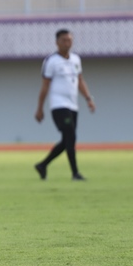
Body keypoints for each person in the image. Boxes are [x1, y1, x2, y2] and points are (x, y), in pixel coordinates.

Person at [34, 29, 95, 181]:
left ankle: (42, 165)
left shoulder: (75, 60)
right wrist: (40, 108)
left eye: (69, 40)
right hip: (59, 105)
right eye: (64, 40)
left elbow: (80, 80)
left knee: (68, 139)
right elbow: (45, 86)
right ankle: (75, 173)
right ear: (57, 42)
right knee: (71, 136)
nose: (67, 43)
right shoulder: (51, 61)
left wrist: (88, 98)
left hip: (73, 105)